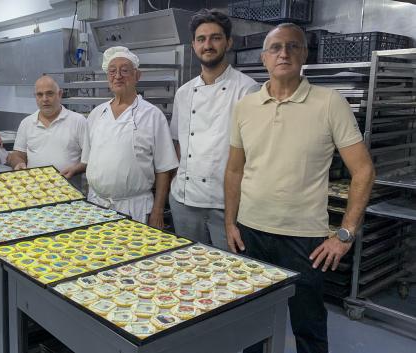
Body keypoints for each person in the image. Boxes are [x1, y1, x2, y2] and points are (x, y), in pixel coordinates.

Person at [224, 23, 375, 353]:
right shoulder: (245, 107)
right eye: (276, 47)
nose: (284, 53)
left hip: (304, 238)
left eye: (293, 46)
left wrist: (345, 234)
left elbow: (363, 170)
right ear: (264, 58)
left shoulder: (329, 103)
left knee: (308, 324)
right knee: (253, 318)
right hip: (251, 233)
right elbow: (235, 169)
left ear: (304, 55)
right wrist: (230, 222)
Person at [169, 9, 258, 249]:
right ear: (193, 46)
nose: (207, 45)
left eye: (215, 38)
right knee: (187, 270)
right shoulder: (184, 92)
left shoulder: (247, 90)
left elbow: (253, 153)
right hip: (184, 200)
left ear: (228, 43)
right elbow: (179, 143)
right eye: (201, 39)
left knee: (227, 275)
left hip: (226, 206)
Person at [68, 46, 178, 227]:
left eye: (124, 71)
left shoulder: (152, 115)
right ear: (107, 77)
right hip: (97, 205)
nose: (118, 76)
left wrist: (158, 211)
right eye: (112, 71)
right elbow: (89, 161)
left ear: (137, 76)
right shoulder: (97, 114)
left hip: (134, 208)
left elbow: (164, 169)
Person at [8, 75, 86, 188]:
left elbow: (89, 159)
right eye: (40, 94)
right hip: (34, 191)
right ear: (35, 97)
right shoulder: (27, 123)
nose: (45, 99)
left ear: (59, 94)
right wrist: (18, 163)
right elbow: (18, 154)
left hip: (70, 192)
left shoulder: (78, 121)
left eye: (50, 93)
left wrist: (76, 169)